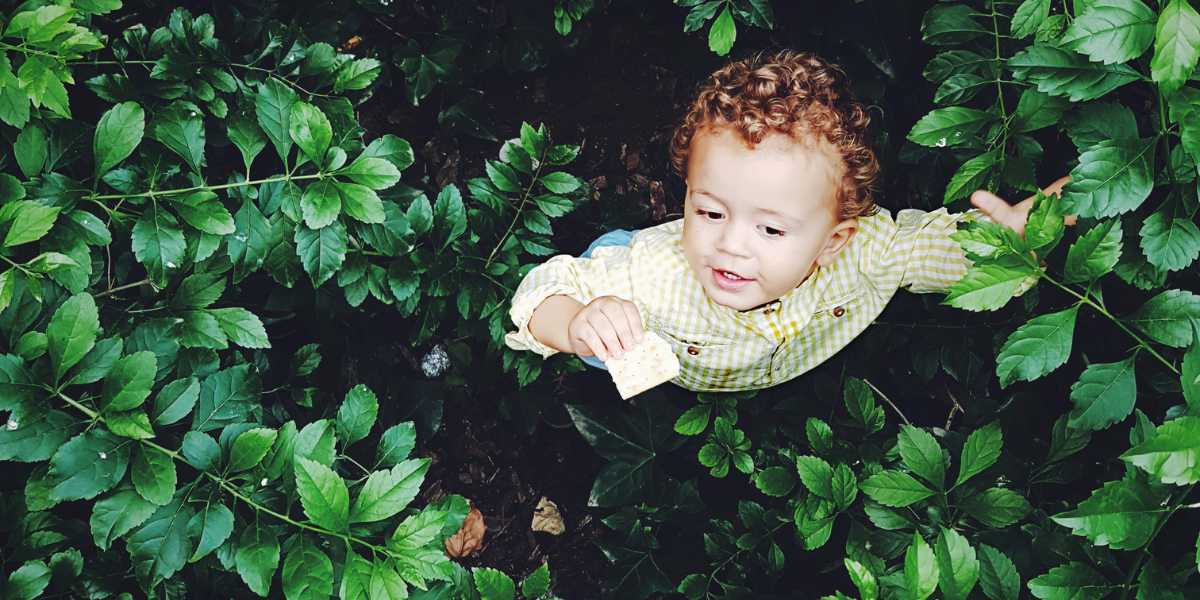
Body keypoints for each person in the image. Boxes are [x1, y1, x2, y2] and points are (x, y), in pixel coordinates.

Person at [504, 50, 1067, 393]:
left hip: (762, 363)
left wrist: (1009, 243)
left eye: (770, 229)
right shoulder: (654, 274)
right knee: (603, 332)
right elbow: (541, 291)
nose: (729, 245)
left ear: (833, 240)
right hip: (637, 284)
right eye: (709, 210)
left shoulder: (863, 252)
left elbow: (930, 251)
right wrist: (576, 320)